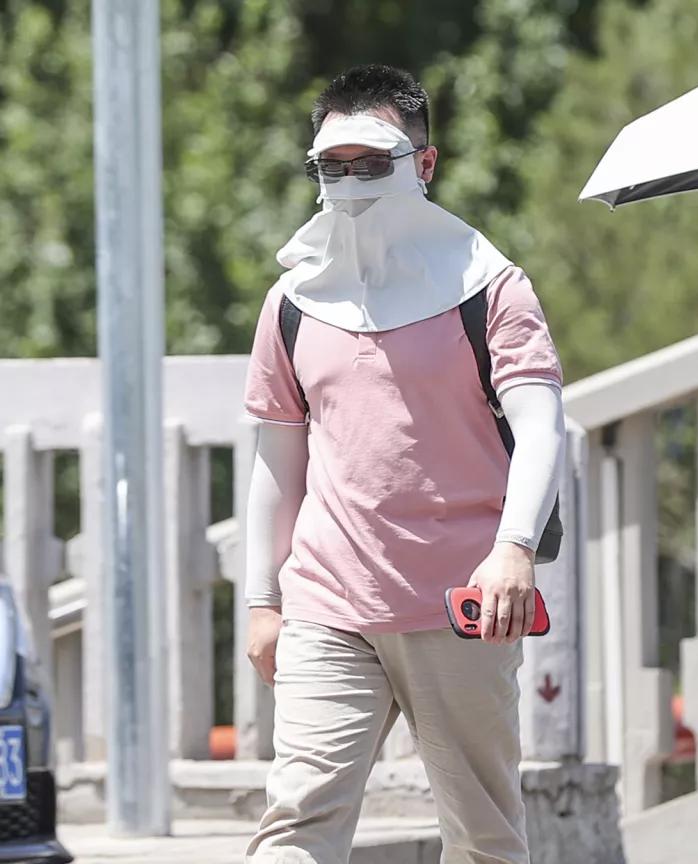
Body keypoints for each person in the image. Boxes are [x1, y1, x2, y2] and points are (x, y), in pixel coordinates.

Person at [241, 65, 565, 864]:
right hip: (327, 604)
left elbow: (543, 426)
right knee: (295, 823)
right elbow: (276, 461)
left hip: (464, 602)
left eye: (372, 162)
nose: (351, 184)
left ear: (424, 164)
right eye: (332, 166)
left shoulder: (489, 290)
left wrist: (514, 548)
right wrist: (260, 600)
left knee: (484, 837)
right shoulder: (291, 303)